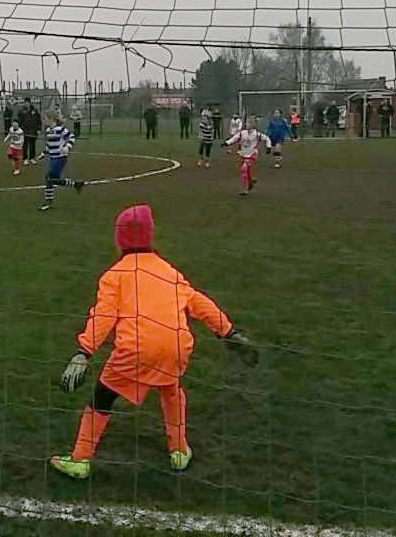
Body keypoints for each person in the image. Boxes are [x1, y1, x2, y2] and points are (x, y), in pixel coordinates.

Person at [50, 204, 256, 480]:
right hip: (177, 345)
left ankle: (80, 459)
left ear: (119, 238)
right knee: (170, 387)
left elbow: (103, 315)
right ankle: (180, 450)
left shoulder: (115, 275)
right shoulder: (169, 271)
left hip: (137, 347)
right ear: (150, 236)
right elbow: (198, 302)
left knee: (102, 397)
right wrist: (227, 331)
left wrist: (83, 352)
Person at [35, 111, 85, 211]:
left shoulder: (60, 129)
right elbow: (49, 145)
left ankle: (48, 202)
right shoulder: (48, 130)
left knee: (49, 178)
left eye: (44, 119)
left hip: (60, 157)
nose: (43, 121)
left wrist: (67, 147)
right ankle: (76, 184)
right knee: (52, 179)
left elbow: (71, 137)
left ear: (51, 119)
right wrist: (43, 154)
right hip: (53, 158)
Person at [222, 116, 271, 196]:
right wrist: (227, 143)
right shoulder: (243, 133)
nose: (247, 124)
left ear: (253, 125)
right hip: (245, 154)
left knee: (243, 169)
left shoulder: (257, 134)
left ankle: (245, 190)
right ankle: (250, 182)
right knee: (247, 170)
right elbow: (234, 138)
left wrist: (268, 147)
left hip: (253, 154)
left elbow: (267, 139)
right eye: (247, 123)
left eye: (249, 123)